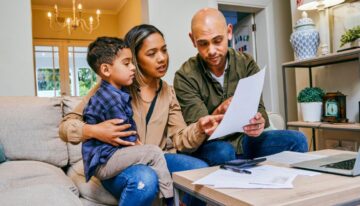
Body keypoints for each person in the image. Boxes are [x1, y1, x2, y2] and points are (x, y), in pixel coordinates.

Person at [59, 24, 223, 206]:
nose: (162, 58)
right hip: (119, 163)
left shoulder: (168, 92)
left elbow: (180, 139)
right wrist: (94, 131)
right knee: (146, 179)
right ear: (135, 58)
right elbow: (65, 127)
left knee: (199, 172)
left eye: (164, 50)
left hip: (156, 157)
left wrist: (200, 128)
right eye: (152, 53)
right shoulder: (114, 86)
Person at [173, 8, 308, 162]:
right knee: (223, 151)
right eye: (203, 44)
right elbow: (200, 129)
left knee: (298, 139)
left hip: (245, 140)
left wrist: (259, 122)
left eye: (217, 41)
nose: (211, 51)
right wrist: (220, 110)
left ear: (229, 32)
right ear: (192, 40)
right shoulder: (185, 76)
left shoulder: (246, 63)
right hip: (212, 145)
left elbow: (260, 110)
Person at [81, 36, 174, 204]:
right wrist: (139, 146)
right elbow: (125, 133)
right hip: (105, 161)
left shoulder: (115, 93)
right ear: (106, 70)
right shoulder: (110, 98)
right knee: (153, 152)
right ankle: (169, 198)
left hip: (109, 157)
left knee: (150, 154)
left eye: (132, 62)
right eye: (126, 63)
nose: (133, 68)